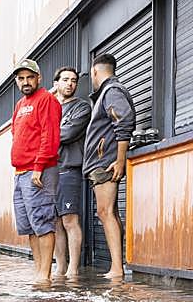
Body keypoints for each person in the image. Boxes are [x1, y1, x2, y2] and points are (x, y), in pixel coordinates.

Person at [83, 53, 136, 279]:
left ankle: (116, 268)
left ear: (95, 71)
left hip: (105, 162)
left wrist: (120, 160)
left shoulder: (111, 91)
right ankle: (117, 266)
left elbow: (123, 121)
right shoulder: (108, 92)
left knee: (105, 212)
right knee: (108, 212)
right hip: (103, 162)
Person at [9, 58, 62, 286]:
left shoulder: (46, 99)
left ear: (38, 78)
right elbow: (16, 134)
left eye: (30, 77)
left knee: (42, 221)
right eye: (21, 78)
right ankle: (39, 271)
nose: (25, 82)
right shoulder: (20, 105)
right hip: (21, 172)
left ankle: (45, 274)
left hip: (38, 171)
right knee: (29, 226)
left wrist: (38, 167)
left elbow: (49, 137)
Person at [51, 66, 91, 279]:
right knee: (55, 222)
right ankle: (60, 267)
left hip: (69, 169)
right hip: (48, 171)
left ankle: (73, 269)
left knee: (69, 220)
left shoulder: (81, 108)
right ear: (56, 83)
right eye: (65, 79)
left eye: (73, 80)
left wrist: (45, 135)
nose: (70, 84)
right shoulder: (48, 106)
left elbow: (67, 134)